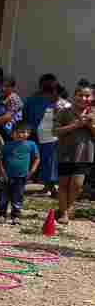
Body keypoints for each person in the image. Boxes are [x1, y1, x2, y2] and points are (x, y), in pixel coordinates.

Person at [53, 82, 95, 225]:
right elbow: (55, 131)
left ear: (92, 97)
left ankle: (66, 207)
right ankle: (64, 212)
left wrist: (89, 125)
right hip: (66, 152)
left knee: (77, 185)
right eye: (80, 95)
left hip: (85, 154)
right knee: (63, 184)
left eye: (87, 95)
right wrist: (75, 125)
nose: (83, 98)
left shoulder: (93, 113)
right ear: (74, 96)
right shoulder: (64, 112)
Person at [0, 122, 40, 225]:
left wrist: (32, 171)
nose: (22, 134)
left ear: (29, 134)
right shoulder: (6, 145)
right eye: (19, 132)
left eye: (25, 132)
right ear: (12, 133)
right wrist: (2, 173)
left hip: (21, 176)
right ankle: (1, 214)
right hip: (6, 176)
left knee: (18, 196)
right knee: (3, 196)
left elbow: (37, 158)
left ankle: (16, 216)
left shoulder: (31, 144)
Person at [24, 74, 61, 196]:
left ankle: (49, 187)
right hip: (42, 135)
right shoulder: (35, 100)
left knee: (48, 161)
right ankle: (48, 186)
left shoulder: (57, 101)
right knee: (47, 161)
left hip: (48, 136)